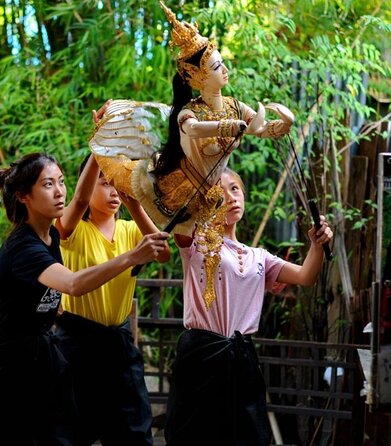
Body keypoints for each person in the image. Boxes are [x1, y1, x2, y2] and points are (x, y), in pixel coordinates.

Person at [89, 0, 295, 302]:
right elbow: (193, 130)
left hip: (207, 193)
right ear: (196, 77)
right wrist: (228, 127)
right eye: (215, 66)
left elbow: (262, 128)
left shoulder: (235, 106)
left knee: (212, 251)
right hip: (174, 186)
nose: (224, 69)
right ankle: (103, 128)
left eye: (222, 63)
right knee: (118, 172)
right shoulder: (190, 111)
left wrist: (285, 122)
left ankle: (215, 303)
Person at [0, 152, 169, 446]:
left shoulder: (49, 237)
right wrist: (132, 256)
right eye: (47, 184)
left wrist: (101, 144)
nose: (59, 191)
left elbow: (81, 199)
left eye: (61, 181)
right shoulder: (23, 246)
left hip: (39, 353)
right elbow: (73, 284)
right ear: (23, 196)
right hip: (6, 359)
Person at [163, 167, 333, 446]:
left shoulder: (258, 257)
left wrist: (316, 245)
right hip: (202, 354)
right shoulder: (195, 242)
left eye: (235, 189)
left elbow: (305, 276)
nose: (232, 197)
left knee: (247, 436)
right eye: (221, 190)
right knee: (195, 435)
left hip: (241, 356)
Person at [53, 102, 170, 446]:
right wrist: (101, 145)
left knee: (133, 433)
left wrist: (132, 196)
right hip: (76, 345)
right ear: (89, 188)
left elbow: (162, 252)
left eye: (115, 183)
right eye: (104, 183)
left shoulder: (132, 231)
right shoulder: (71, 228)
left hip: (118, 345)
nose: (111, 190)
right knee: (71, 433)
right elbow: (76, 198)